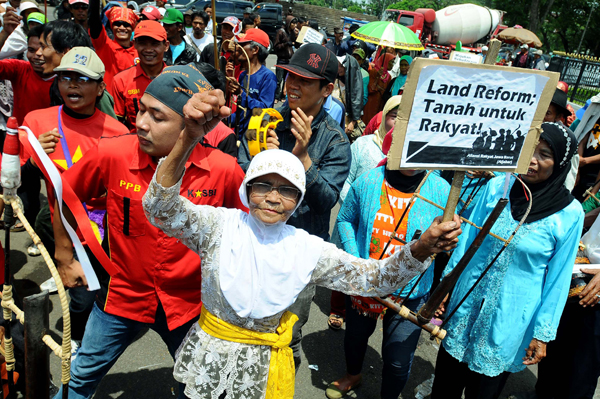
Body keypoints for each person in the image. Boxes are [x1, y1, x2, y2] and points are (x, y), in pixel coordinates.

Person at [143, 96, 463, 398]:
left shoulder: (306, 248)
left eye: (287, 190)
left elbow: (375, 279)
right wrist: (187, 139)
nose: (272, 197)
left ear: (297, 200)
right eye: (264, 185)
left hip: (265, 371)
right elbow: (160, 208)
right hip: (208, 362)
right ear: (248, 187)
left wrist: (421, 247)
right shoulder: (219, 226)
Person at [52, 64, 247, 399]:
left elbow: (247, 236)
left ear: (190, 125)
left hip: (188, 304)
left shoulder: (223, 170)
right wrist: (64, 256)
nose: (141, 122)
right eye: (141, 109)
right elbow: (65, 194)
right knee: (81, 376)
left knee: (207, 386)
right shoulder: (111, 153)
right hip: (121, 296)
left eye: (157, 116)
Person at [430, 122, 584, 399]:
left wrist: (542, 333)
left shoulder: (569, 213)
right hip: (465, 306)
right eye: (529, 149)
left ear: (560, 162)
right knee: (444, 387)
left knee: (483, 393)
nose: (533, 160)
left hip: (509, 320)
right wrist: (448, 285)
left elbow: (558, 279)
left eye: (545, 154)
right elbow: (466, 240)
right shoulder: (497, 187)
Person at [238, 43, 352, 368]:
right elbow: (244, 178)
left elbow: (326, 201)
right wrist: (262, 159)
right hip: (256, 244)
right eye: (290, 77)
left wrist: (302, 158)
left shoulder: (335, 141)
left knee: (287, 336)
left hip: (298, 258)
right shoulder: (269, 121)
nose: (293, 86)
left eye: (304, 81)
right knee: (248, 322)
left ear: (327, 89)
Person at [20, 46, 130, 360]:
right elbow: (22, 187)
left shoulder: (117, 132)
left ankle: (98, 338)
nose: (73, 85)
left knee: (106, 294)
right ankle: (82, 344)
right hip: (62, 228)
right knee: (81, 297)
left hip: (105, 230)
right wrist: (35, 158)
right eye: (66, 77)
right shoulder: (37, 122)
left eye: (83, 79)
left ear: (100, 88)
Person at [327, 128, 450, 399]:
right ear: (389, 149)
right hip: (366, 281)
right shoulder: (368, 180)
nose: (411, 157)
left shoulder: (442, 191)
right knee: (356, 338)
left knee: (397, 358)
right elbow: (346, 219)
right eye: (405, 147)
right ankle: (353, 374)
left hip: (413, 291)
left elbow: (450, 245)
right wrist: (356, 259)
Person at [327, 96, 400, 331]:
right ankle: (338, 309)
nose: (397, 123)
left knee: (376, 265)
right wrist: (356, 207)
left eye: (404, 118)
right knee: (346, 262)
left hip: (384, 222)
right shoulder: (363, 145)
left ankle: (369, 305)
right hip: (353, 216)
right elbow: (345, 179)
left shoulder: (405, 153)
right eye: (393, 116)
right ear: (383, 117)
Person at [111, 20, 168, 132]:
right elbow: (116, 124)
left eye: (154, 43)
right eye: (142, 43)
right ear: (135, 44)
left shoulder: (178, 78)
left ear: (166, 46)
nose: (148, 49)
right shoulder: (121, 81)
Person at [0, 24, 54, 125]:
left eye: (43, 49)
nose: (37, 55)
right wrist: (4, 33)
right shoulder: (20, 69)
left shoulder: (67, 78)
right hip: (21, 138)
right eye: (31, 50)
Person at [227, 28, 276, 137]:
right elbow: (242, 111)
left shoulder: (268, 77)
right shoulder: (243, 75)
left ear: (255, 50)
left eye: (243, 45)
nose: (239, 49)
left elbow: (264, 110)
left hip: (254, 136)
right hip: (239, 134)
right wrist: (226, 120)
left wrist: (241, 93)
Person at [89, 0, 139, 90]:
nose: (122, 28)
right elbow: (94, 20)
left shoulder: (139, 52)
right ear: (112, 26)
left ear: (132, 28)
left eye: (126, 24)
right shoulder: (104, 44)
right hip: (108, 102)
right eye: (117, 24)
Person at [362, 49, 395, 124]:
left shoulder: (388, 76)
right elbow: (370, 89)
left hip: (380, 104)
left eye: (393, 63)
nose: (392, 65)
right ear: (386, 61)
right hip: (371, 102)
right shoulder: (374, 71)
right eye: (391, 62)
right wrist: (377, 77)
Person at [337, 53, 364, 141]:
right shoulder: (336, 81)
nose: (339, 69)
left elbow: (357, 102)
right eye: (338, 66)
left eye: (341, 66)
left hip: (349, 123)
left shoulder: (355, 85)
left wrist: (352, 123)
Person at [273, 15, 299, 102]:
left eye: (296, 23)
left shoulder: (292, 33)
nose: (295, 25)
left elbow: (296, 44)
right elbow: (276, 46)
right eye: (293, 23)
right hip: (281, 60)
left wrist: (297, 35)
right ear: (289, 23)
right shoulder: (281, 32)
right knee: (278, 80)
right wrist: (286, 44)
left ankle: (282, 96)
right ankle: (276, 97)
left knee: (286, 80)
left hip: (289, 60)